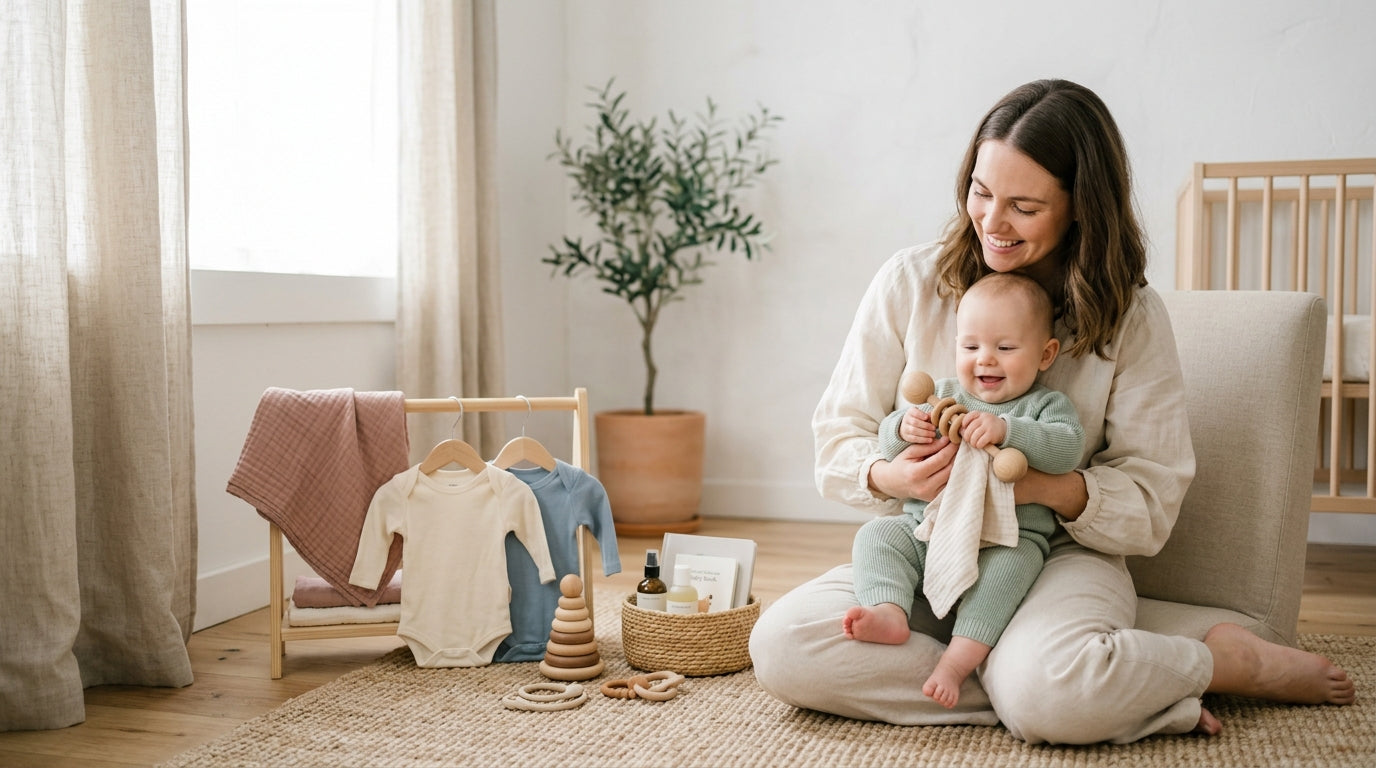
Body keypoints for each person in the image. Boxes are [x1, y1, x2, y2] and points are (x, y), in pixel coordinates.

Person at [748, 79, 1355, 743]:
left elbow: (1151, 499)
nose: (991, 222)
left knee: (1048, 690)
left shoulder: (1131, 317)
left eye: (1023, 206)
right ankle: (1049, 683)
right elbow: (839, 440)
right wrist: (895, 477)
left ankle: (1210, 663)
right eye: (980, 192)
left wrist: (1034, 485)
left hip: (1051, 554)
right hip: (928, 544)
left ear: (1078, 209)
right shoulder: (911, 283)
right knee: (783, 645)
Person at [844, 271, 1084, 710]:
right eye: (970, 347)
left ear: (1046, 354)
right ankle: (889, 612)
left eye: (1005, 348)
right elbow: (887, 441)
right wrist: (904, 426)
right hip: (927, 529)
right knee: (876, 537)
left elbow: (1067, 447)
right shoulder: (945, 397)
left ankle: (956, 663)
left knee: (1008, 574)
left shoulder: (1044, 406)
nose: (985, 360)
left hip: (1005, 540)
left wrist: (1009, 430)